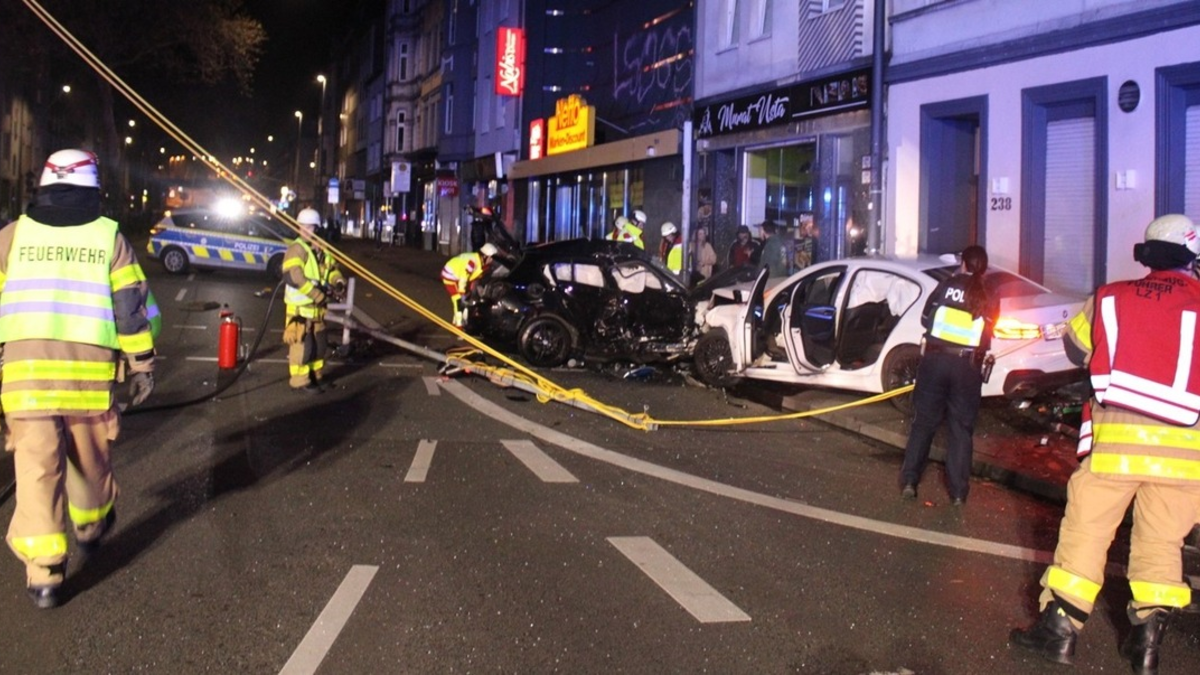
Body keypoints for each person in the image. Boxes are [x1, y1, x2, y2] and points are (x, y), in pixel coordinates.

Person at [1010, 214, 1200, 674]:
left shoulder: (1110, 297)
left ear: (1147, 255)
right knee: (1160, 543)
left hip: (1115, 445)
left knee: (1087, 533)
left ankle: (1059, 634)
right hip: (1185, 455)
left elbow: (1077, 348)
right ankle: (1147, 643)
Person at [0, 149, 157, 609]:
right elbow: (130, 311)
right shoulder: (109, 239)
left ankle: (45, 575)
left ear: (43, 187)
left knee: (36, 472)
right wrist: (143, 366)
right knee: (88, 459)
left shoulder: (10, 238)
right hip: (86, 381)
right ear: (94, 190)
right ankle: (90, 527)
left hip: (25, 381)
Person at [898, 245, 997, 506]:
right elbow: (989, 333)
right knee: (960, 431)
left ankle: (910, 481)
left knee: (923, 424)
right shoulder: (988, 295)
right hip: (967, 369)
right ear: (984, 268)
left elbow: (924, 318)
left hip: (935, 362)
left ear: (963, 263)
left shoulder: (946, 285)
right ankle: (958, 493)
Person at [282, 208, 344, 393]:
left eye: (311, 227)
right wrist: (317, 294)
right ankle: (300, 381)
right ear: (299, 228)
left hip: (317, 310)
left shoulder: (321, 250)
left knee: (319, 345)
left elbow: (332, 269)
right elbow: (294, 276)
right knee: (303, 346)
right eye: (304, 227)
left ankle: (315, 376)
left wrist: (338, 281)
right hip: (300, 311)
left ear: (316, 228)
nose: (308, 230)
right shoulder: (297, 249)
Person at [441, 243, 497, 327]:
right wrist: (462, 290)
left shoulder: (481, 263)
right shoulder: (472, 262)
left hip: (457, 276)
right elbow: (464, 277)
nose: (492, 260)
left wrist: (469, 289)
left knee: (462, 299)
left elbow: (473, 278)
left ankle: (455, 320)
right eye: (491, 258)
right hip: (450, 275)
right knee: (457, 299)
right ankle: (459, 324)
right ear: (485, 256)